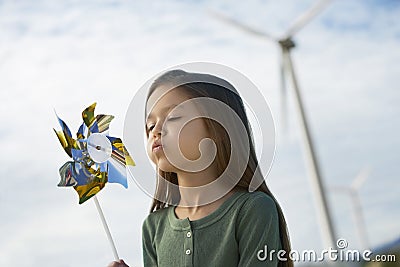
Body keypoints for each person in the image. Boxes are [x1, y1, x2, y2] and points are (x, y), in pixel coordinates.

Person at [108, 70, 293, 267]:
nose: (156, 131)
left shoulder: (252, 209)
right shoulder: (153, 227)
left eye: (174, 117)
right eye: (150, 125)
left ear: (219, 126)